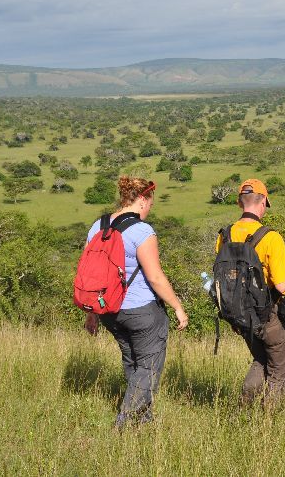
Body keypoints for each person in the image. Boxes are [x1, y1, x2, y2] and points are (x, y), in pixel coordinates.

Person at [83, 175, 189, 429]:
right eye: (151, 202)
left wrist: (92, 313)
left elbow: (92, 275)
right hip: (142, 311)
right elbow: (155, 276)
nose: (151, 207)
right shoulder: (142, 231)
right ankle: (125, 421)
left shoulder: (97, 227)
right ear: (142, 199)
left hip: (110, 311)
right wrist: (177, 307)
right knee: (149, 367)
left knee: (133, 361)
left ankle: (142, 422)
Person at [215, 178, 285, 408]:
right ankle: (269, 424)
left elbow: (223, 277)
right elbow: (280, 286)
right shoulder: (270, 237)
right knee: (278, 371)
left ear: (240, 204)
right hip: (269, 313)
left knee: (260, 359)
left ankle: (244, 409)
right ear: (263, 203)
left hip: (241, 315)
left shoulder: (225, 235)